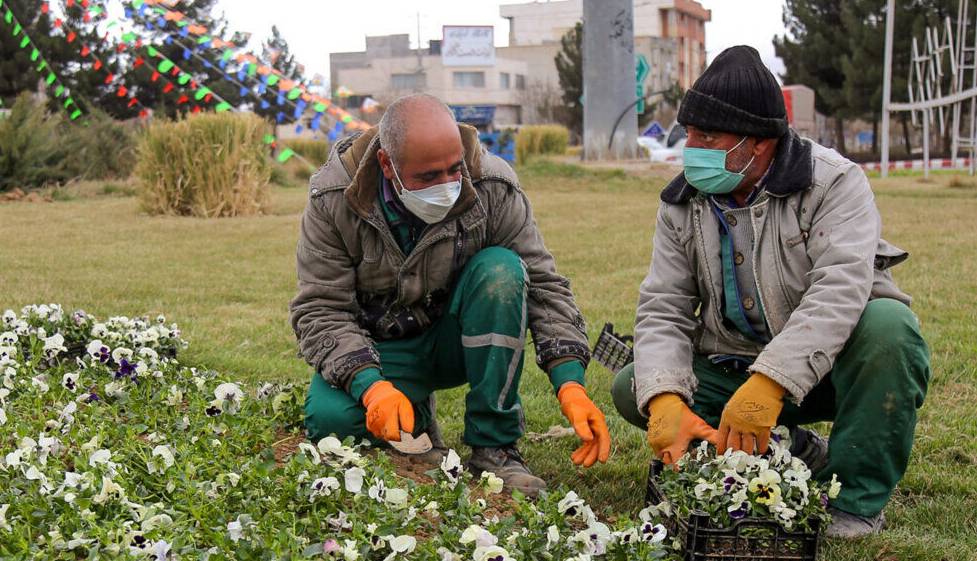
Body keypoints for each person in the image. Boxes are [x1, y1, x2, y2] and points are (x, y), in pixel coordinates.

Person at [610, 46, 930, 538]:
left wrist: (771, 382)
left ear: (757, 143)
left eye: (706, 135)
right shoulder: (681, 202)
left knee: (890, 328)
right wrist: (667, 397)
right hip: (733, 364)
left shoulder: (834, 183)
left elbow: (840, 291)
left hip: (832, 368)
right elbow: (664, 307)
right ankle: (791, 447)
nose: (689, 146)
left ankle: (855, 500)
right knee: (636, 386)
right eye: (689, 132)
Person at [290, 93, 611, 496]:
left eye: (453, 169)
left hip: (458, 337)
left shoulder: (493, 184)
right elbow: (321, 309)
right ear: (387, 165)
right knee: (330, 420)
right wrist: (371, 386)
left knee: (502, 271)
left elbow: (544, 286)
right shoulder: (333, 197)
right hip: (384, 347)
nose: (446, 186)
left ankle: (495, 448)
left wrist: (570, 384)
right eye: (427, 177)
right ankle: (414, 419)